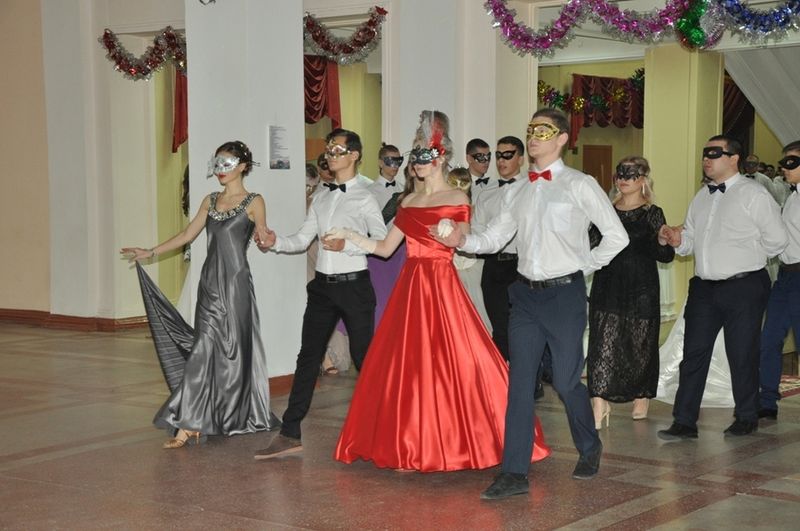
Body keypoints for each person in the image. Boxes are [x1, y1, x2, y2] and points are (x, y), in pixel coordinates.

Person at [327, 110, 551, 472]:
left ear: (441, 156)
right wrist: (351, 236)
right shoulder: (408, 202)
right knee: (408, 367)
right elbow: (384, 249)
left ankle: (473, 438)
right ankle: (407, 445)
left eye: (424, 154)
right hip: (410, 288)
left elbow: (465, 244)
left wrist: (453, 233)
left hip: (442, 286)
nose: (417, 162)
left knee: (459, 361)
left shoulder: (457, 197)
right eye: (414, 155)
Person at [436, 108, 628, 499]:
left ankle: (589, 445)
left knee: (566, 381)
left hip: (564, 296)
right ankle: (514, 472)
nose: (534, 138)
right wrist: (462, 241)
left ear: (562, 138)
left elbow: (616, 236)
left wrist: (582, 266)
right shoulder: (518, 189)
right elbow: (495, 238)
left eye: (544, 131)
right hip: (524, 296)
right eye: (530, 131)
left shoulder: (580, 184)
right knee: (520, 384)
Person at [121, 140, 280, 448]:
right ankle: (189, 422)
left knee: (233, 351)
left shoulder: (254, 201)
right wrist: (150, 252)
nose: (220, 169)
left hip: (236, 285)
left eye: (227, 163)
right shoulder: (210, 200)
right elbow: (187, 235)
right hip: (210, 284)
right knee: (203, 347)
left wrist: (266, 239)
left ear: (242, 167)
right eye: (217, 163)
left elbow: (262, 235)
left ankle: (229, 414)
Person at [253, 128, 387, 459]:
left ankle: (386, 431)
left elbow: (382, 242)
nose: (331, 155)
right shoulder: (322, 197)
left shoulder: (366, 197)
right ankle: (290, 432)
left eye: (337, 150)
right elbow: (302, 239)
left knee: (364, 359)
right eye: (328, 149)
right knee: (308, 357)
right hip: (323, 288)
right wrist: (275, 242)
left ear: (354, 155)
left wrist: (349, 243)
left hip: (354, 286)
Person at [657, 135, 788, 441]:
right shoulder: (702, 197)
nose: (707, 159)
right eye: (705, 153)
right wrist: (676, 240)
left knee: (741, 352)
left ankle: (746, 416)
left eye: (715, 153)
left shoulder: (754, 195)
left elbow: (778, 241)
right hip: (704, 288)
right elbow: (689, 242)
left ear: (734, 158)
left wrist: (746, 255)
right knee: (693, 353)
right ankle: (684, 421)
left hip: (744, 285)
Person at [587, 156, 675, 428]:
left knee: (640, 344)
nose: (624, 179)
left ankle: (641, 395)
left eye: (631, 174)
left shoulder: (652, 213)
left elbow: (665, 256)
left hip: (641, 287)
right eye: (620, 174)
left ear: (643, 179)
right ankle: (599, 401)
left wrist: (662, 240)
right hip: (608, 286)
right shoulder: (605, 211)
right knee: (602, 343)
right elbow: (589, 245)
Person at [759, 140, 800, 420]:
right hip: (785, 277)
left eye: (791, 162)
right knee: (770, 338)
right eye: (783, 162)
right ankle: (768, 401)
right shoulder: (791, 196)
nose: (784, 168)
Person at [475, 136, 526, 361]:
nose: (501, 160)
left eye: (508, 155)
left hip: (522, 265)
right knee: (499, 326)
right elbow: (477, 230)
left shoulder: (531, 190)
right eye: (498, 155)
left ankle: (529, 375)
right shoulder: (486, 194)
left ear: (521, 159)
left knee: (523, 326)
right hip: (493, 265)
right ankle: (501, 376)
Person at [369, 143, 405, 210]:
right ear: (381, 163)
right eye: (391, 161)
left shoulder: (403, 189)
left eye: (398, 161)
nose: (395, 165)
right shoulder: (370, 192)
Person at [465, 138, 493, 204]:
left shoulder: (494, 185)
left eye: (488, 157)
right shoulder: (459, 184)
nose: (487, 162)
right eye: (481, 157)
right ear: (469, 159)